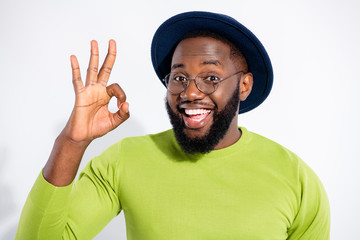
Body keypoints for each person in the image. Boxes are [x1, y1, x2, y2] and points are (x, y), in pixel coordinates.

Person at [15, 11, 330, 239]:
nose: (190, 92)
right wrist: (72, 141)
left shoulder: (296, 179)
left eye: (210, 78)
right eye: (179, 78)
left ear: (244, 86)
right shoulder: (124, 160)